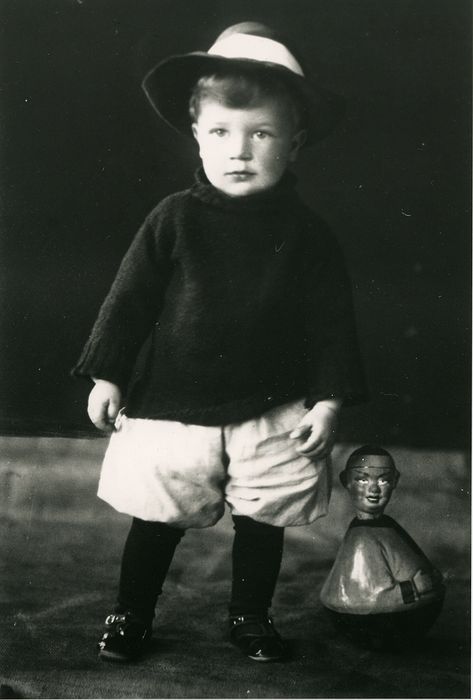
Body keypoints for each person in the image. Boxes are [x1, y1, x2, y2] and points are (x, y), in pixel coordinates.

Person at [72, 21, 367, 663]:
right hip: (174, 399)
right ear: (196, 133)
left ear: (295, 140)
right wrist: (107, 374)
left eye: (261, 134)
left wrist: (329, 401)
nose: (239, 151)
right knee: (157, 516)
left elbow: (331, 324)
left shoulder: (309, 237)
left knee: (262, 520)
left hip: (273, 403)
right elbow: (130, 300)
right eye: (220, 133)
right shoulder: (174, 219)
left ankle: (250, 616)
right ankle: (131, 612)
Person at [320, 446, 445, 649]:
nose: (374, 489)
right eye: (362, 480)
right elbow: (365, 598)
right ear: (346, 481)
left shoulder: (386, 525)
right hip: (376, 623)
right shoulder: (363, 539)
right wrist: (417, 587)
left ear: (395, 481)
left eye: (383, 480)